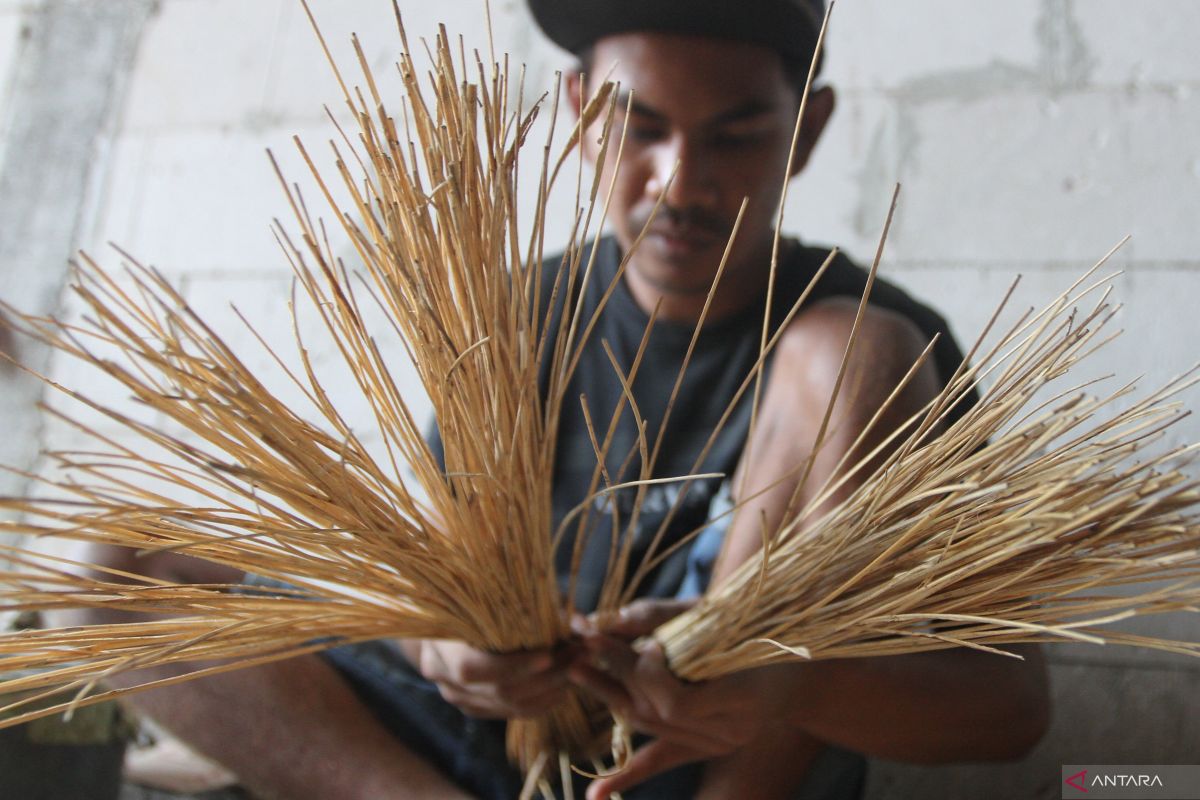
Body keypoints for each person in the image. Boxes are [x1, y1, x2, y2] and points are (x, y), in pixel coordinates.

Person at [70, 1, 1050, 798]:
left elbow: (1010, 710)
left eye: (737, 135)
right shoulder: (516, 311)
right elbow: (436, 581)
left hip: (697, 767)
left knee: (856, 345)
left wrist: (797, 679)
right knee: (119, 561)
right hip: (464, 752)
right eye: (641, 125)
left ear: (808, 129)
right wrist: (441, 642)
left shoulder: (878, 343)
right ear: (581, 109)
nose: (680, 181)